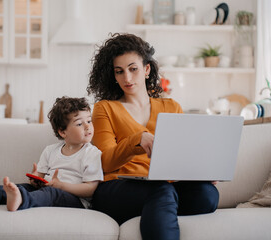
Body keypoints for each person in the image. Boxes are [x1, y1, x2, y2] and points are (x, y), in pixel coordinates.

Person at [87, 33, 219, 240]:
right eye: (119, 72)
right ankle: (160, 204)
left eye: (133, 69)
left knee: (207, 194)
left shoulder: (171, 107)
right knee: (161, 191)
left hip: (162, 185)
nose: (127, 78)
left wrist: (200, 170)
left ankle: (157, 207)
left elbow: (181, 156)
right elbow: (105, 162)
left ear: (146, 69)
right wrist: (136, 140)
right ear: (113, 75)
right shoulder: (105, 108)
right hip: (116, 188)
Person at [0, 97, 103, 211]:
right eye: (79, 124)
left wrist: (61, 186)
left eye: (89, 121)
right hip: (50, 190)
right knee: (24, 187)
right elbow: (41, 179)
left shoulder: (92, 153)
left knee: (50, 193)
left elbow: (90, 189)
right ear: (62, 132)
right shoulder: (50, 151)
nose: (87, 126)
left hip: (76, 200)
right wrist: (36, 179)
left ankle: (22, 200)